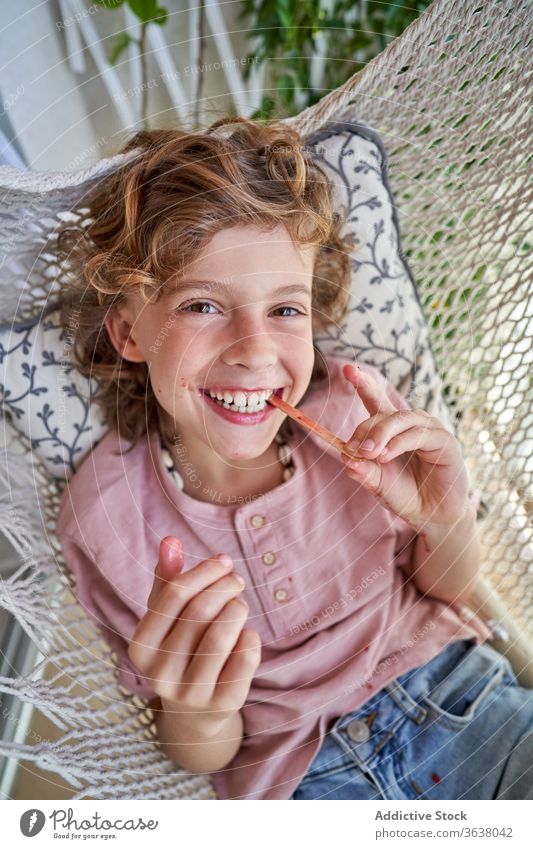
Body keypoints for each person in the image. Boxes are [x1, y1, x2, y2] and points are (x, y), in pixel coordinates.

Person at [55, 116, 533, 801]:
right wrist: (198, 706)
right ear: (130, 331)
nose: (253, 349)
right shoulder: (105, 514)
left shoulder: (355, 414)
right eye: (201, 304)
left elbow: (448, 589)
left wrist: (445, 519)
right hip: (301, 786)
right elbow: (201, 751)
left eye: (284, 309)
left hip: (463, 704)